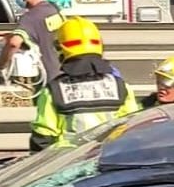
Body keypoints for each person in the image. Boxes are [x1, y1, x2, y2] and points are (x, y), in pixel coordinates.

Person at [29, 16, 139, 152]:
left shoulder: (54, 90)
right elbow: (133, 128)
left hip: (68, 165)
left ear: (60, 49)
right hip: (110, 161)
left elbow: (43, 136)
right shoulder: (120, 86)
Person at [0, 0, 65, 84]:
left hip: (48, 79)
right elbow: (44, 34)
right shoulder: (54, 9)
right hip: (63, 72)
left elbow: (14, 43)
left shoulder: (29, 17)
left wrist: (1, 64)